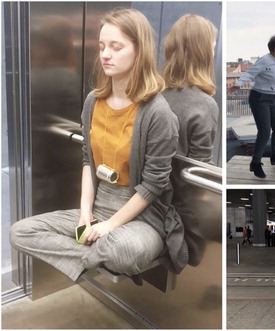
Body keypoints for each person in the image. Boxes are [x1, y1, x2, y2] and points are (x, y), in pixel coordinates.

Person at [9, 8, 188, 285]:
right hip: (98, 205)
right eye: (103, 46)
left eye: (116, 47)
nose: (105, 54)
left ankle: (100, 255)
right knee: (21, 232)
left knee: (122, 250)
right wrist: (85, 214)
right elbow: (87, 161)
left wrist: (109, 226)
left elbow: (153, 185)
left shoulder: (157, 112)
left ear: (139, 51)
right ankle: (97, 257)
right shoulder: (94, 100)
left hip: (141, 218)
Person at [228, 35, 275, 179]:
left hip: (273, 98)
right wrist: (238, 85)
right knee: (264, 131)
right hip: (260, 98)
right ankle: (255, 163)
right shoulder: (264, 60)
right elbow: (250, 73)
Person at [162, 14, 219, 163]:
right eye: (212, 48)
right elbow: (200, 169)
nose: (213, 54)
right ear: (203, 53)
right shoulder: (204, 105)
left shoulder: (154, 94)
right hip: (178, 186)